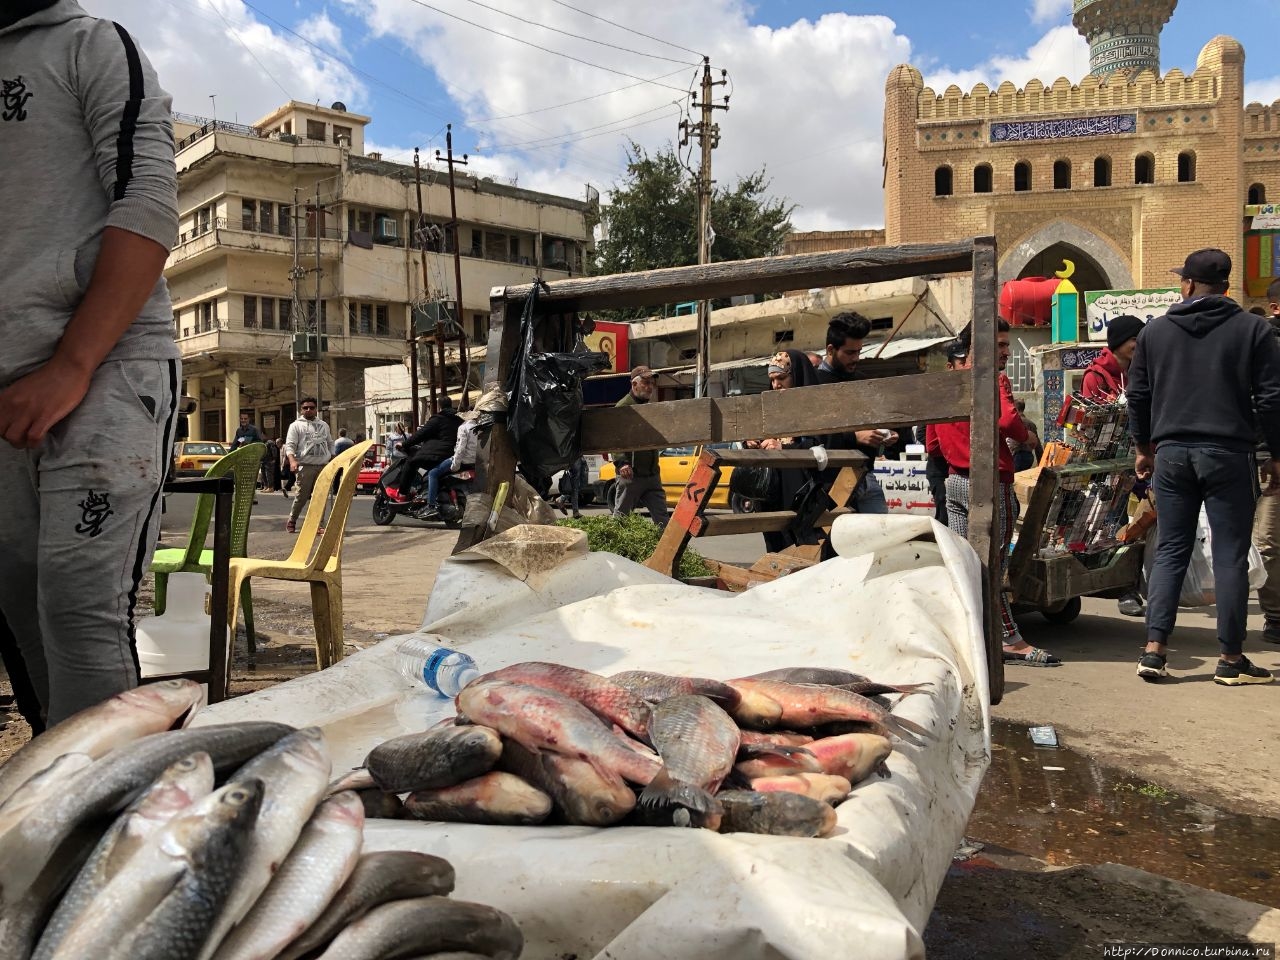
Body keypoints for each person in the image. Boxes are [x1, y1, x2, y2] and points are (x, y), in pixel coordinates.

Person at [0, 2, 181, 725]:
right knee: (18, 602)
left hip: (108, 365)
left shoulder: (93, 46)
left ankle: (106, 793)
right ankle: (62, 778)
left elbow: (149, 203)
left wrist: (71, 364)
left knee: (79, 607)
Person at [1128, 248, 1280, 685]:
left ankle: (1154, 651)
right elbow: (1271, 398)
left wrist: (1143, 447)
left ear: (1190, 284)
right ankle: (1231, 659)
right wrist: (1277, 454)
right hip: (1229, 453)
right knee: (1230, 554)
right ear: (1227, 287)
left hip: (1172, 453)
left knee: (1171, 549)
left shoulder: (1155, 332)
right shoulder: (1253, 329)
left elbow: (1138, 394)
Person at [927, 325, 1061, 667]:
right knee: (992, 567)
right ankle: (1009, 640)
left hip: (956, 482)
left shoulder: (944, 385)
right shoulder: (993, 379)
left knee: (965, 565)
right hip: (989, 485)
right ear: (980, 346)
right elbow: (1009, 422)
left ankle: (967, 635)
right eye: (1000, 344)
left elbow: (933, 445)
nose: (1006, 352)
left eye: (1006, 345)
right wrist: (1027, 438)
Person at [1082, 313, 1148, 618]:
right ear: (1119, 341)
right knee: (1115, 524)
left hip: (1140, 458)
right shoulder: (1095, 375)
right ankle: (1124, 590)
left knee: (1146, 520)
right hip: (1108, 465)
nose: (1138, 344)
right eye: (1134, 339)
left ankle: (1144, 580)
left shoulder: (1140, 371)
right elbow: (1089, 423)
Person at [815, 313, 896, 514]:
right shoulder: (813, 383)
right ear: (830, 350)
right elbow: (813, 437)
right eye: (850, 352)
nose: (856, 358)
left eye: (859, 351)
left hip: (865, 477)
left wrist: (884, 436)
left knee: (881, 533)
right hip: (831, 483)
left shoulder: (862, 382)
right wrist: (855, 437)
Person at [751, 349, 825, 553]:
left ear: (797, 375)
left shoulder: (816, 408)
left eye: (782, 378)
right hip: (774, 493)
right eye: (772, 380)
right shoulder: (771, 409)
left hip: (802, 497)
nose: (776, 385)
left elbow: (820, 444)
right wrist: (754, 441)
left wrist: (784, 448)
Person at [611, 365, 669, 526]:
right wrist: (622, 463)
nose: (650, 387)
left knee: (662, 519)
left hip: (652, 475)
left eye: (652, 384)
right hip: (630, 475)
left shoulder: (650, 408)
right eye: (646, 383)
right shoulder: (623, 407)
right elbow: (614, 437)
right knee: (621, 519)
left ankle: (667, 543)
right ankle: (613, 542)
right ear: (634, 384)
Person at [1254, 278, 1280, 645]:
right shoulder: (1263, 344)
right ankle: (1275, 616)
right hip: (1269, 459)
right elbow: (1263, 403)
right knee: (1268, 541)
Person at [283, 398, 334, 534]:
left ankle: (318, 524)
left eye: (311, 407)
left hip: (323, 466)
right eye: (305, 408)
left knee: (320, 496)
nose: (308, 410)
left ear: (316, 409)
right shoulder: (296, 426)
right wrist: (292, 461)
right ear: (301, 410)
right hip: (305, 466)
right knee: (302, 496)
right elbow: (290, 445)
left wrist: (333, 458)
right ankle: (292, 519)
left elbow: (330, 443)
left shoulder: (324, 425)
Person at [396, 401, 462, 502]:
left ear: (439, 407)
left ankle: (403, 494)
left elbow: (420, 434)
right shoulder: (460, 420)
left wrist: (404, 444)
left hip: (438, 456)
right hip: (453, 456)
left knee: (411, 462)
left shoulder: (438, 419)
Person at [421, 413, 481, 517]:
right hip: (473, 462)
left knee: (433, 473)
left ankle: (431, 505)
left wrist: (455, 464)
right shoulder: (479, 428)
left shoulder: (463, 427)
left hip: (462, 461)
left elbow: (460, 449)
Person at [1081, 313, 1144, 401]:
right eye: (1135, 339)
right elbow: (1088, 409)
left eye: (1142, 340)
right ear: (1119, 341)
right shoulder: (1094, 377)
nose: (1140, 344)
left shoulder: (1141, 373)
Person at [1010, 400, 1043, 472]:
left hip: (1016, 455)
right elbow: (1038, 446)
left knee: (1014, 477)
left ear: (1015, 408)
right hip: (1028, 457)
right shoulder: (1031, 424)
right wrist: (1041, 464)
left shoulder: (1013, 422)